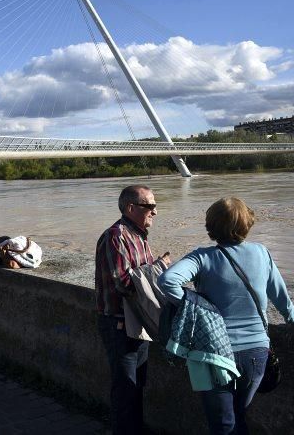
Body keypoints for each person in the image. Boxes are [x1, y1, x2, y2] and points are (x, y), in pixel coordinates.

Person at [158, 197, 294, 435]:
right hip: (256, 353)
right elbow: (280, 296)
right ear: (246, 224)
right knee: (238, 417)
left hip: (215, 355)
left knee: (223, 425)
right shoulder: (261, 253)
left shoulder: (202, 257)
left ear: (211, 226)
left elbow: (168, 281)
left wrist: (198, 308)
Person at [95, 185, 170, 435]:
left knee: (137, 386)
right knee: (126, 388)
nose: (155, 212)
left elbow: (140, 280)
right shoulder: (116, 236)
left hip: (138, 322)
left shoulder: (138, 236)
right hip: (119, 325)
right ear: (131, 208)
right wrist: (159, 266)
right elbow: (124, 283)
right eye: (150, 206)